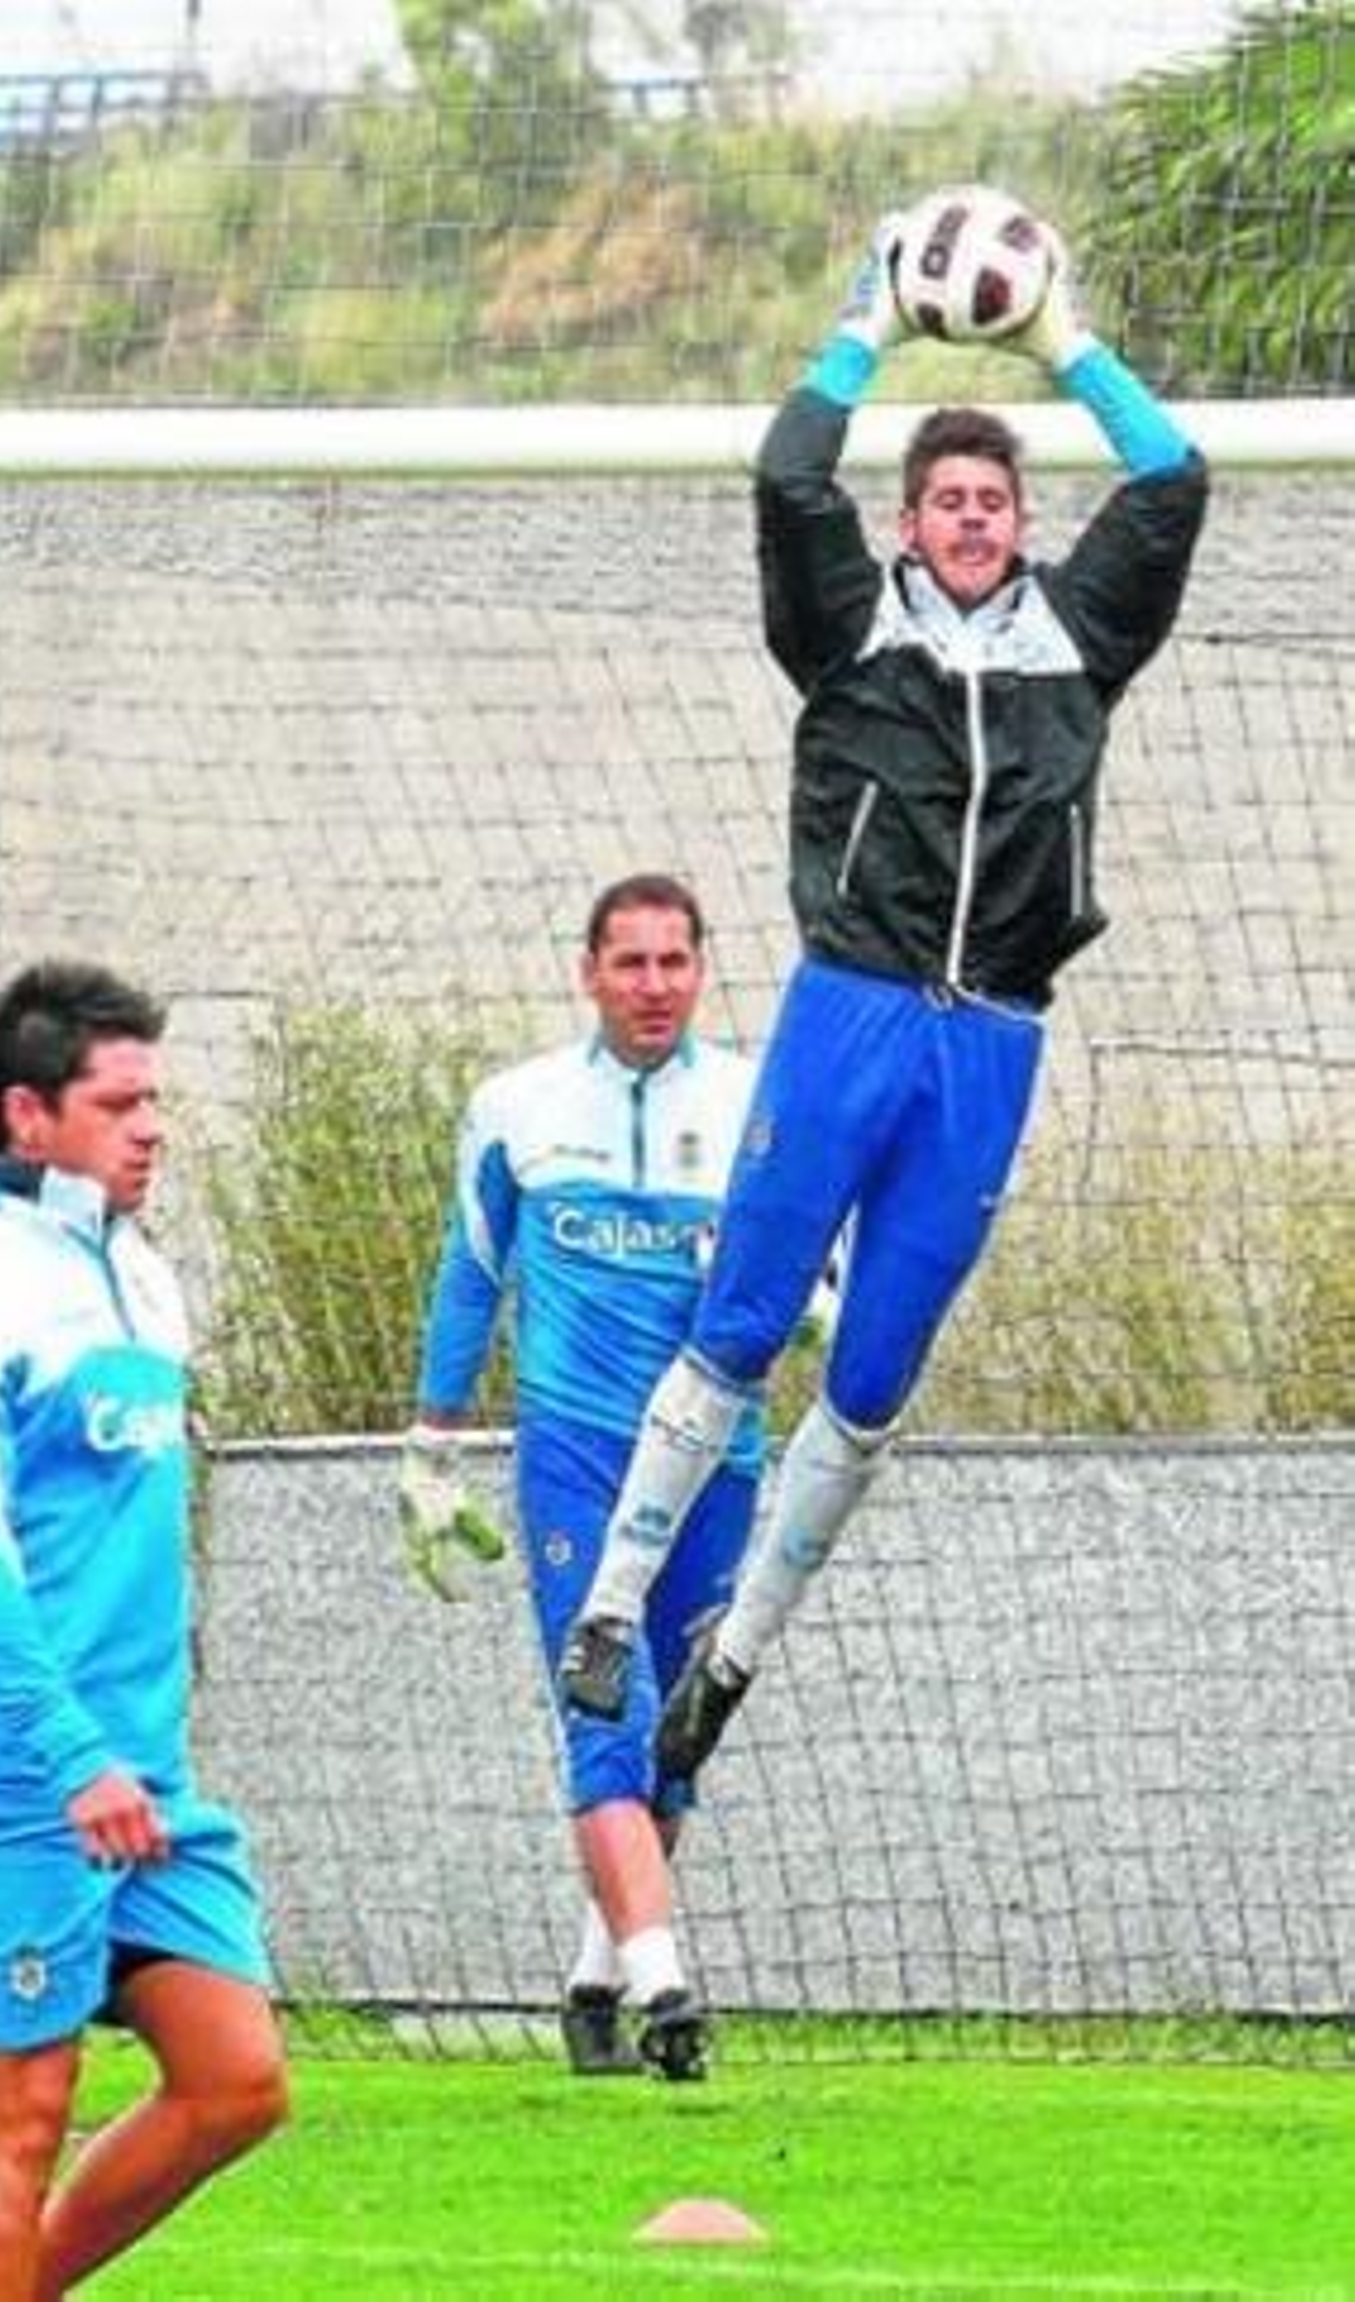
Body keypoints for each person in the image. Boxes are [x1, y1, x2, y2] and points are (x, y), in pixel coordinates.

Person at [559, 211, 1209, 1781]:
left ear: (1020, 519)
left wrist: (1056, 340)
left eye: (993, 500)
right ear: (908, 524)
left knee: (873, 1376)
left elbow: (1176, 475)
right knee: (744, 1321)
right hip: (849, 1010)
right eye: (945, 502)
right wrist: (867, 324)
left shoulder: (1085, 631)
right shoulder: (850, 626)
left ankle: (732, 1657)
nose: (972, 519)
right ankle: (613, 1604)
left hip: (993, 1035)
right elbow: (788, 476)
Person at [0, 960, 287, 2301]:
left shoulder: (143, 1281)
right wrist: (67, 1754)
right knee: (21, 2113)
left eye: (154, 1097)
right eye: (119, 1103)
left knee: (236, 2079)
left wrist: (126, 1750)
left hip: (138, 1774)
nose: (152, 1125)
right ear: (28, 1117)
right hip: (3, 1774)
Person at [400, 874, 803, 2082]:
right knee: (603, 1715)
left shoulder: (755, 1105)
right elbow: (469, 1276)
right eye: (628, 963)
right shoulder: (516, 1106)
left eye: (672, 962)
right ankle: (666, 1988)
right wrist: (429, 1447)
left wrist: (821, 1305)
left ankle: (597, 1981)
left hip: (716, 1458)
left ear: (701, 969)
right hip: (573, 1455)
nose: (651, 986)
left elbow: (804, 1255)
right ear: (588, 971)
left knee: (678, 1733)